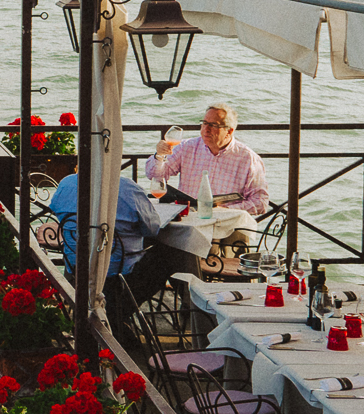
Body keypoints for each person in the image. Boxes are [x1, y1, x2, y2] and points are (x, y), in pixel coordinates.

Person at [46, 172, 180, 331]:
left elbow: (55, 211)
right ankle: (118, 314)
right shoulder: (128, 189)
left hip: (78, 265)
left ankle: (111, 314)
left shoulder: (66, 183)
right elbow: (152, 229)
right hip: (120, 273)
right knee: (170, 257)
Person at [147, 102, 270, 216]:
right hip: (189, 219)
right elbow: (155, 176)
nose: (206, 129)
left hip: (226, 224)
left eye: (213, 125)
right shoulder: (186, 147)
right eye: (204, 123)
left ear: (229, 131)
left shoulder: (248, 158)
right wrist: (159, 156)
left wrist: (226, 211)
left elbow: (260, 202)